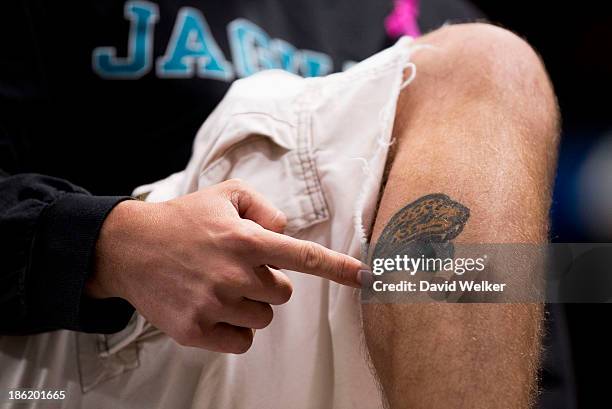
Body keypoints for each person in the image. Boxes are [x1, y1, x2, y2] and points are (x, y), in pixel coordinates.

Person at [0, 1, 559, 408]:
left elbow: (518, 321)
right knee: (490, 60)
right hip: (74, 351)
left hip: (353, 360)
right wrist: (106, 244)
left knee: (491, 65)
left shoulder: (435, 12)